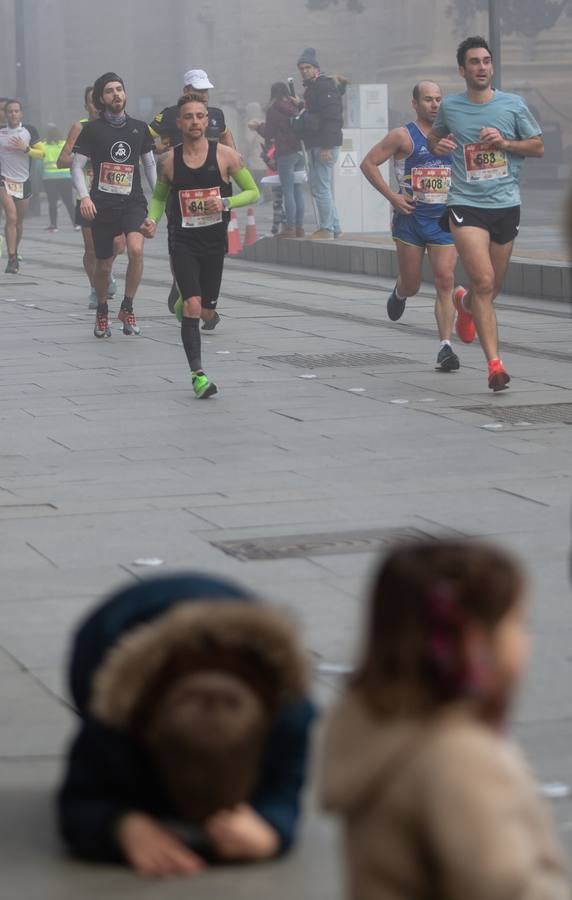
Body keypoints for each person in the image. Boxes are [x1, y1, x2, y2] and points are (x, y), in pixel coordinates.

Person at [320, 538, 570, 900]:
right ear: (473, 640)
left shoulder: (368, 720)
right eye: (519, 623)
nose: (526, 640)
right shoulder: (460, 759)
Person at [57, 572, 315, 876]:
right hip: (109, 630)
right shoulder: (117, 711)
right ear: (146, 739)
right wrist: (122, 826)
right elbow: (80, 797)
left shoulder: (287, 708)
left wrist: (271, 829)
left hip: (229, 611)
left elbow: (285, 787)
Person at [428, 36, 544, 392]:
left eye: (486, 61)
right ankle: (495, 365)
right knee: (483, 281)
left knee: (491, 288)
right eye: (474, 62)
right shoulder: (451, 107)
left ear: (491, 66)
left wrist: (505, 143)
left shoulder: (513, 105)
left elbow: (537, 146)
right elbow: (435, 138)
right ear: (463, 70)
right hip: (465, 204)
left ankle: (463, 305)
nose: (481, 67)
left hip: (506, 204)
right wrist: (440, 144)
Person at [142, 94, 259, 400]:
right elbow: (157, 198)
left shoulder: (226, 157)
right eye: (188, 117)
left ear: (208, 121)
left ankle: (182, 302)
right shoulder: (168, 161)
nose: (194, 122)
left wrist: (225, 202)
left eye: (199, 116)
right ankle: (198, 376)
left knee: (205, 311)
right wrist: (152, 220)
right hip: (182, 241)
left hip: (213, 243)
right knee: (194, 306)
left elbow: (253, 192)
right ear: (179, 123)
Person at [361, 81, 459, 372]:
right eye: (428, 99)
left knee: (445, 280)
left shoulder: (455, 134)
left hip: (443, 220)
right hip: (411, 220)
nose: (435, 104)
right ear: (415, 104)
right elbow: (368, 163)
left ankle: (445, 347)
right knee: (413, 283)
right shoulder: (402, 136)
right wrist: (393, 196)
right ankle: (401, 292)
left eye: (439, 99)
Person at [71, 73, 156, 339]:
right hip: (102, 205)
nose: (116, 94)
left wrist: (160, 201)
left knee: (136, 249)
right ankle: (102, 311)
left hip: (133, 202)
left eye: (120, 89)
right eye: (109, 91)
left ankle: (127, 307)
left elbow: (150, 165)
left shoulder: (140, 128)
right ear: (101, 98)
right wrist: (85, 197)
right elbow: (77, 166)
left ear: (125, 94)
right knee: (104, 265)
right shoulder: (92, 130)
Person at [150, 68, 235, 327]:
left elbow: (227, 141)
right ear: (186, 90)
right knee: (183, 242)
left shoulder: (216, 115)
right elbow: (145, 138)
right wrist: (159, 150)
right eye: (198, 90)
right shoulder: (169, 115)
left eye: (206, 90)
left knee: (215, 247)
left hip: (215, 193)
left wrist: (232, 161)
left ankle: (201, 300)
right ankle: (185, 288)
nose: (204, 95)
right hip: (181, 191)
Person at [58, 86, 125, 309]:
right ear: (86, 106)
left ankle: (105, 272)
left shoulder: (117, 125)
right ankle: (96, 289)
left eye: (99, 100)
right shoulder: (81, 127)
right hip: (87, 196)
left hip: (115, 194)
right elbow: (62, 160)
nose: (97, 106)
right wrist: (86, 157)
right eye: (92, 102)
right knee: (92, 249)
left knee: (118, 244)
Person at [295, 48, 343, 240]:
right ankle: (335, 226)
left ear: (316, 69)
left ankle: (326, 229)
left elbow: (332, 118)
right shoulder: (314, 88)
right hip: (317, 143)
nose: (304, 71)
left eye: (307, 67)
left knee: (321, 188)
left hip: (323, 145)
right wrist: (301, 105)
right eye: (301, 68)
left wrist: (326, 146)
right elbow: (315, 115)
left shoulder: (323, 87)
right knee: (320, 187)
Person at [249, 82, 305, 238]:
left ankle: (290, 228)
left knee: (288, 191)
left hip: (286, 153)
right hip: (300, 152)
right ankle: (299, 228)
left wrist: (258, 127)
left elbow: (269, 133)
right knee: (298, 190)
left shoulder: (274, 109)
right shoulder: (294, 107)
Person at [0, 99, 44, 274]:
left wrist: (26, 148)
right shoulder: (1, 132)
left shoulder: (29, 131)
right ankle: (11, 258)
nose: (12, 114)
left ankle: (14, 250)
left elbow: (42, 154)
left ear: (21, 113)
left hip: (23, 181)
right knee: (11, 218)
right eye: (9, 111)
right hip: (4, 180)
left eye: (16, 111)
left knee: (18, 222)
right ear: (5, 113)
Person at [42, 125, 75, 232]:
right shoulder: (64, 144)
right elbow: (72, 157)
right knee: (69, 202)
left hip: (49, 177)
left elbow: (38, 160)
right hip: (65, 177)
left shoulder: (44, 145)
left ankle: (54, 225)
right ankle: (76, 224)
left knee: (52, 202)